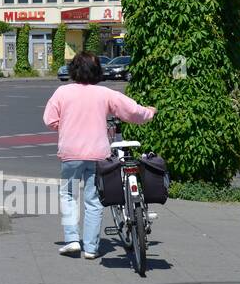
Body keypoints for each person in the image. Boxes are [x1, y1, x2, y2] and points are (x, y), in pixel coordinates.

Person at [43, 51, 156, 260]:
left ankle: (72, 239)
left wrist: (65, 125)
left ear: (73, 70)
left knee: (68, 195)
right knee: (93, 199)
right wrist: (149, 112)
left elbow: (49, 119)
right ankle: (91, 248)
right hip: (98, 153)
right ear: (97, 71)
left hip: (70, 153)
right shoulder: (105, 94)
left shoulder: (62, 92)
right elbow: (132, 111)